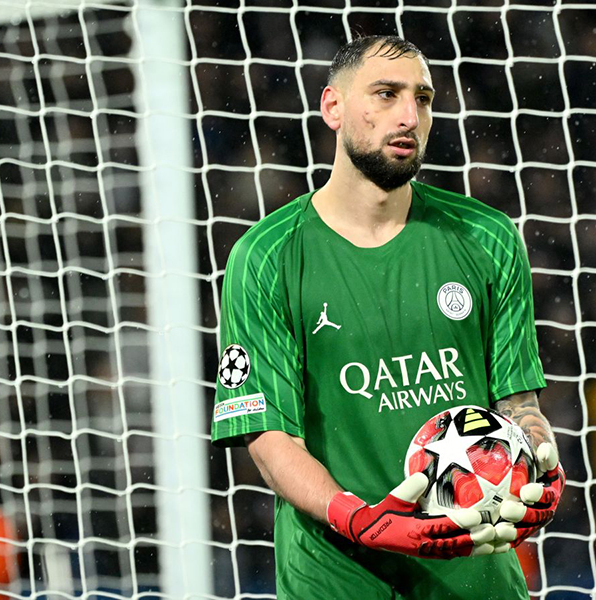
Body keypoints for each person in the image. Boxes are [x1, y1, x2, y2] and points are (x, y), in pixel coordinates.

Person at [211, 35, 565, 599]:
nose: (409, 116)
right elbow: (270, 438)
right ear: (333, 107)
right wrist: (362, 520)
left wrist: (539, 462)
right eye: (386, 93)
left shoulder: (487, 237)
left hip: (474, 576)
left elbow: (516, 402)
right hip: (336, 580)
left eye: (422, 98)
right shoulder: (265, 256)